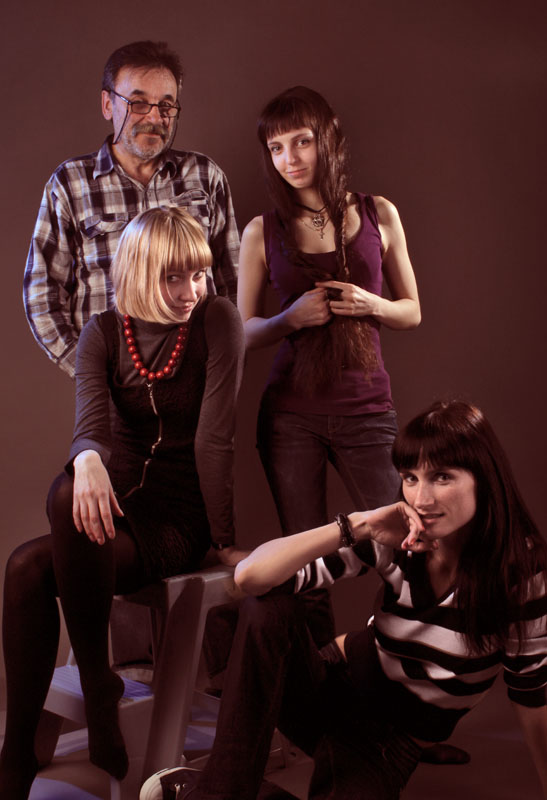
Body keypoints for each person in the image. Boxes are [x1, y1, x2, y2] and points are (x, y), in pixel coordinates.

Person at [140, 400, 547, 800]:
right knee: (269, 602)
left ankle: (195, 788)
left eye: (442, 477)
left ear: (483, 478)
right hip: (327, 691)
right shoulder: (395, 537)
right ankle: (219, 793)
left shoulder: (522, 573)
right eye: (410, 477)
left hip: (388, 743)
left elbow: (532, 698)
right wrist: (358, 524)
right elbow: (252, 577)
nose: (421, 499)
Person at [0, 206, 246, 799]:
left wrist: (222, 538)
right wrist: (86, 459)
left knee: (49, 539)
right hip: (117, 501)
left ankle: (88, 693)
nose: (192, 291)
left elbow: (214, 441)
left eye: (199, 274)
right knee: (29, 560)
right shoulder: (103, 333)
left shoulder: (217, 320)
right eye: (174, 277)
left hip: (177, 515)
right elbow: (90, 424)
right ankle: (31, 735)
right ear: (138, 272)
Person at [237, 85, 420, 649]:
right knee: (305, 558)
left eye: (302, 141)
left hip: (367, 410)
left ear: (329, 138)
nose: (289, 158)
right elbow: (243, 331)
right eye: (276, 148)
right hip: (290, 417)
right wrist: (289, 319)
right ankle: (318, 682)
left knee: (409, 540)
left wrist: (370, 304)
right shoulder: (261, 231)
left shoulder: (378, 213)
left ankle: (404, 660)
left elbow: (412, 310)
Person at [24, 40, 239, 379]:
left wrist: (219, 365)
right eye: (138, 103)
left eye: (166, 105)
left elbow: (234, 283)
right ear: (107, 104)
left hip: (198, 378)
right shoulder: (70, 184)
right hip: (112, 383)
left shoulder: (205, 176)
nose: (154, 117)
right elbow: (41, 295)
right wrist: (91, 373)